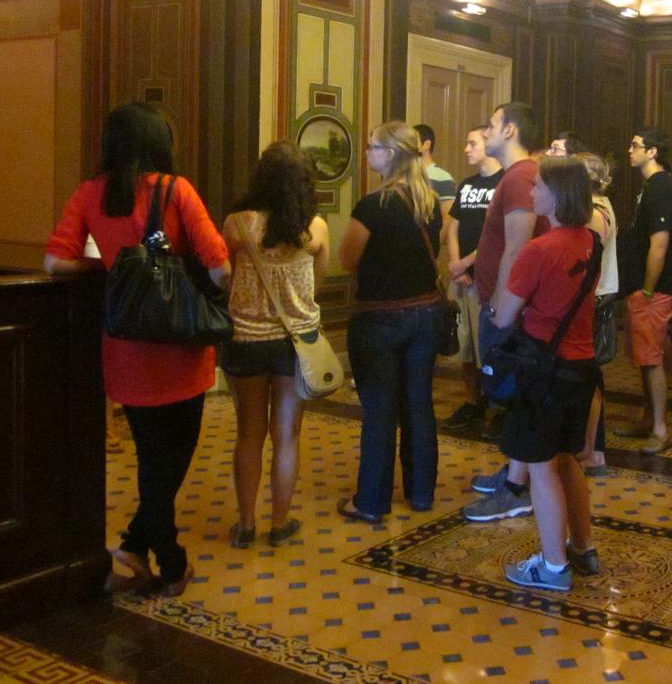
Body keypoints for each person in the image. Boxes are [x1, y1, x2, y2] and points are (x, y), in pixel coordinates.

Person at [45, 102, 230, 597]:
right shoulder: (175, 190)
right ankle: (164, 560)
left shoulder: (90, 194)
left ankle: (139, 549)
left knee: (152, 457)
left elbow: (54, 262)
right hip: (182, 349)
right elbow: (219, 267)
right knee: (172, 458)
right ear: (157, 141)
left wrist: (112, 268)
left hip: (125, 349)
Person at [497, 157, 603, 592]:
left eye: (538, 186)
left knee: (540, 467)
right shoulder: (592, 241)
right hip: (582, 365)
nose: (532, 192)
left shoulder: (538, 250)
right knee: (566, 460)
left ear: (558, 196)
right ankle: (582, 546)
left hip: (543, 369)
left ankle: (553, 566)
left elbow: (504, 316)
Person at [221, 142, 330, 548]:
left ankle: (246, 524)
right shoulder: (314, 228)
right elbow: (318, 284)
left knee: (249, 434)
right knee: (287, 436)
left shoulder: (237, 224)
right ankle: (279, 523)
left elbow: (223, 277)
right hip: (296, 345)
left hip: (246, 339)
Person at [338, 121, 444, 521]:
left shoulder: (372, 206)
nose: (367, 153)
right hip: (426, 314)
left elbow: (347, 260)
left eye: (372, 147)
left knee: (380, 410)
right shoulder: (429, 202)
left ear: (390, 154)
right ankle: (420, 493)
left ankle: (372, 501)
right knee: (419, 404)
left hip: (379, 320)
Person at [463, 102, 549, 522]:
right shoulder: (517, 176)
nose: (487, 130)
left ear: (510, 130)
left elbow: (517, 246)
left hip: (511, 308)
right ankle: (515, 473)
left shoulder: (519, 176)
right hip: (508, 303)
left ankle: (517, 487)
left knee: (515, 392)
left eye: (492, 124)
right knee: (515, 397)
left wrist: (500, 305)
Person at [614, 126, 672, 455]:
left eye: (636, 145)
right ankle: (648, 418)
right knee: (643, 355)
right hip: (643, 286)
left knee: (651, 357)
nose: (630, 150)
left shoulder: (660, 186)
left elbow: (660, 243)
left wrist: (647, 289)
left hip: (653, 289)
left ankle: (660, 429)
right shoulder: (652, 186)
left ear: (652, 152)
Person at [440, 125, 504, 429]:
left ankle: (497, 405)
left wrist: (467, 262)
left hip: (490, 280)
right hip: (462, 279)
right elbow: (453, 226)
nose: (466, 149)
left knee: (488, 346)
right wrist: (456, 263)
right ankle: (471, 401)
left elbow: (501, 236)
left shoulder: (506, 182)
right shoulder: (466, 185)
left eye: (472, 142)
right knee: (465, 345)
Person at [574, 152, 618, 476]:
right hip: (598, 295)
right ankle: (591, 447)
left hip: (594, 298)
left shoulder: (593, 212)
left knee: (588, 378)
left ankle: (593, 450)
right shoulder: (601, 204)